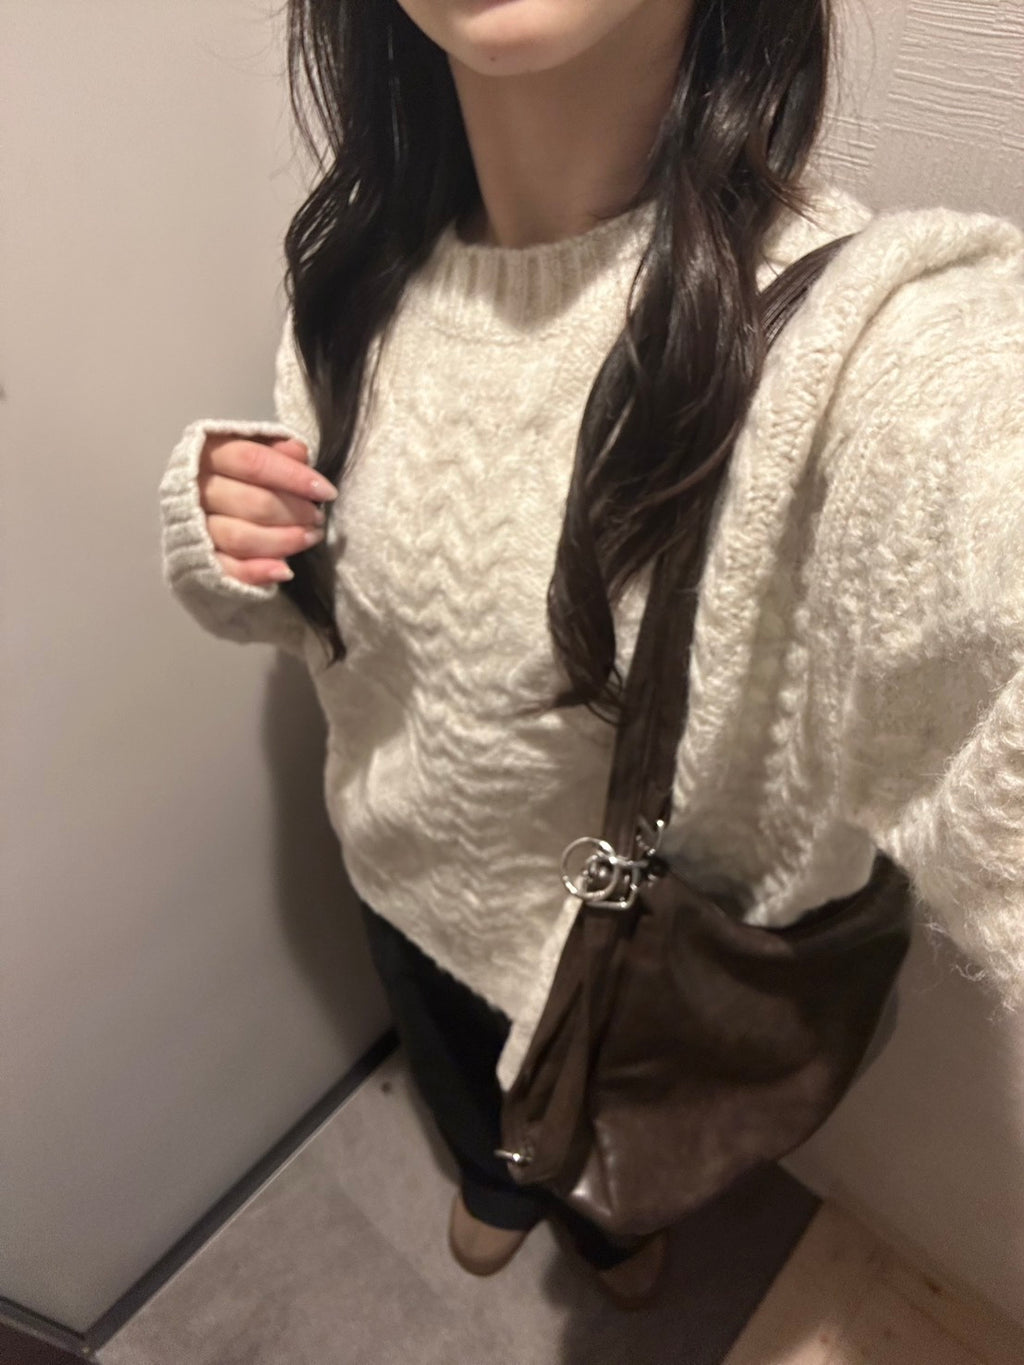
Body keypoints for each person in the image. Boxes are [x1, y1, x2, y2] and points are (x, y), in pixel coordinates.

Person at [159, 0, 1024, 1310]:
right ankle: (499, 1176)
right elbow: (317, 628)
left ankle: (605, 1229)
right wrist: (228, 535)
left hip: (622, 967)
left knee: (612, 1174)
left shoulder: (852, 349)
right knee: (470, 1104)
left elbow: (974, 508)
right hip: (395, 876)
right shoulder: (350, 276)